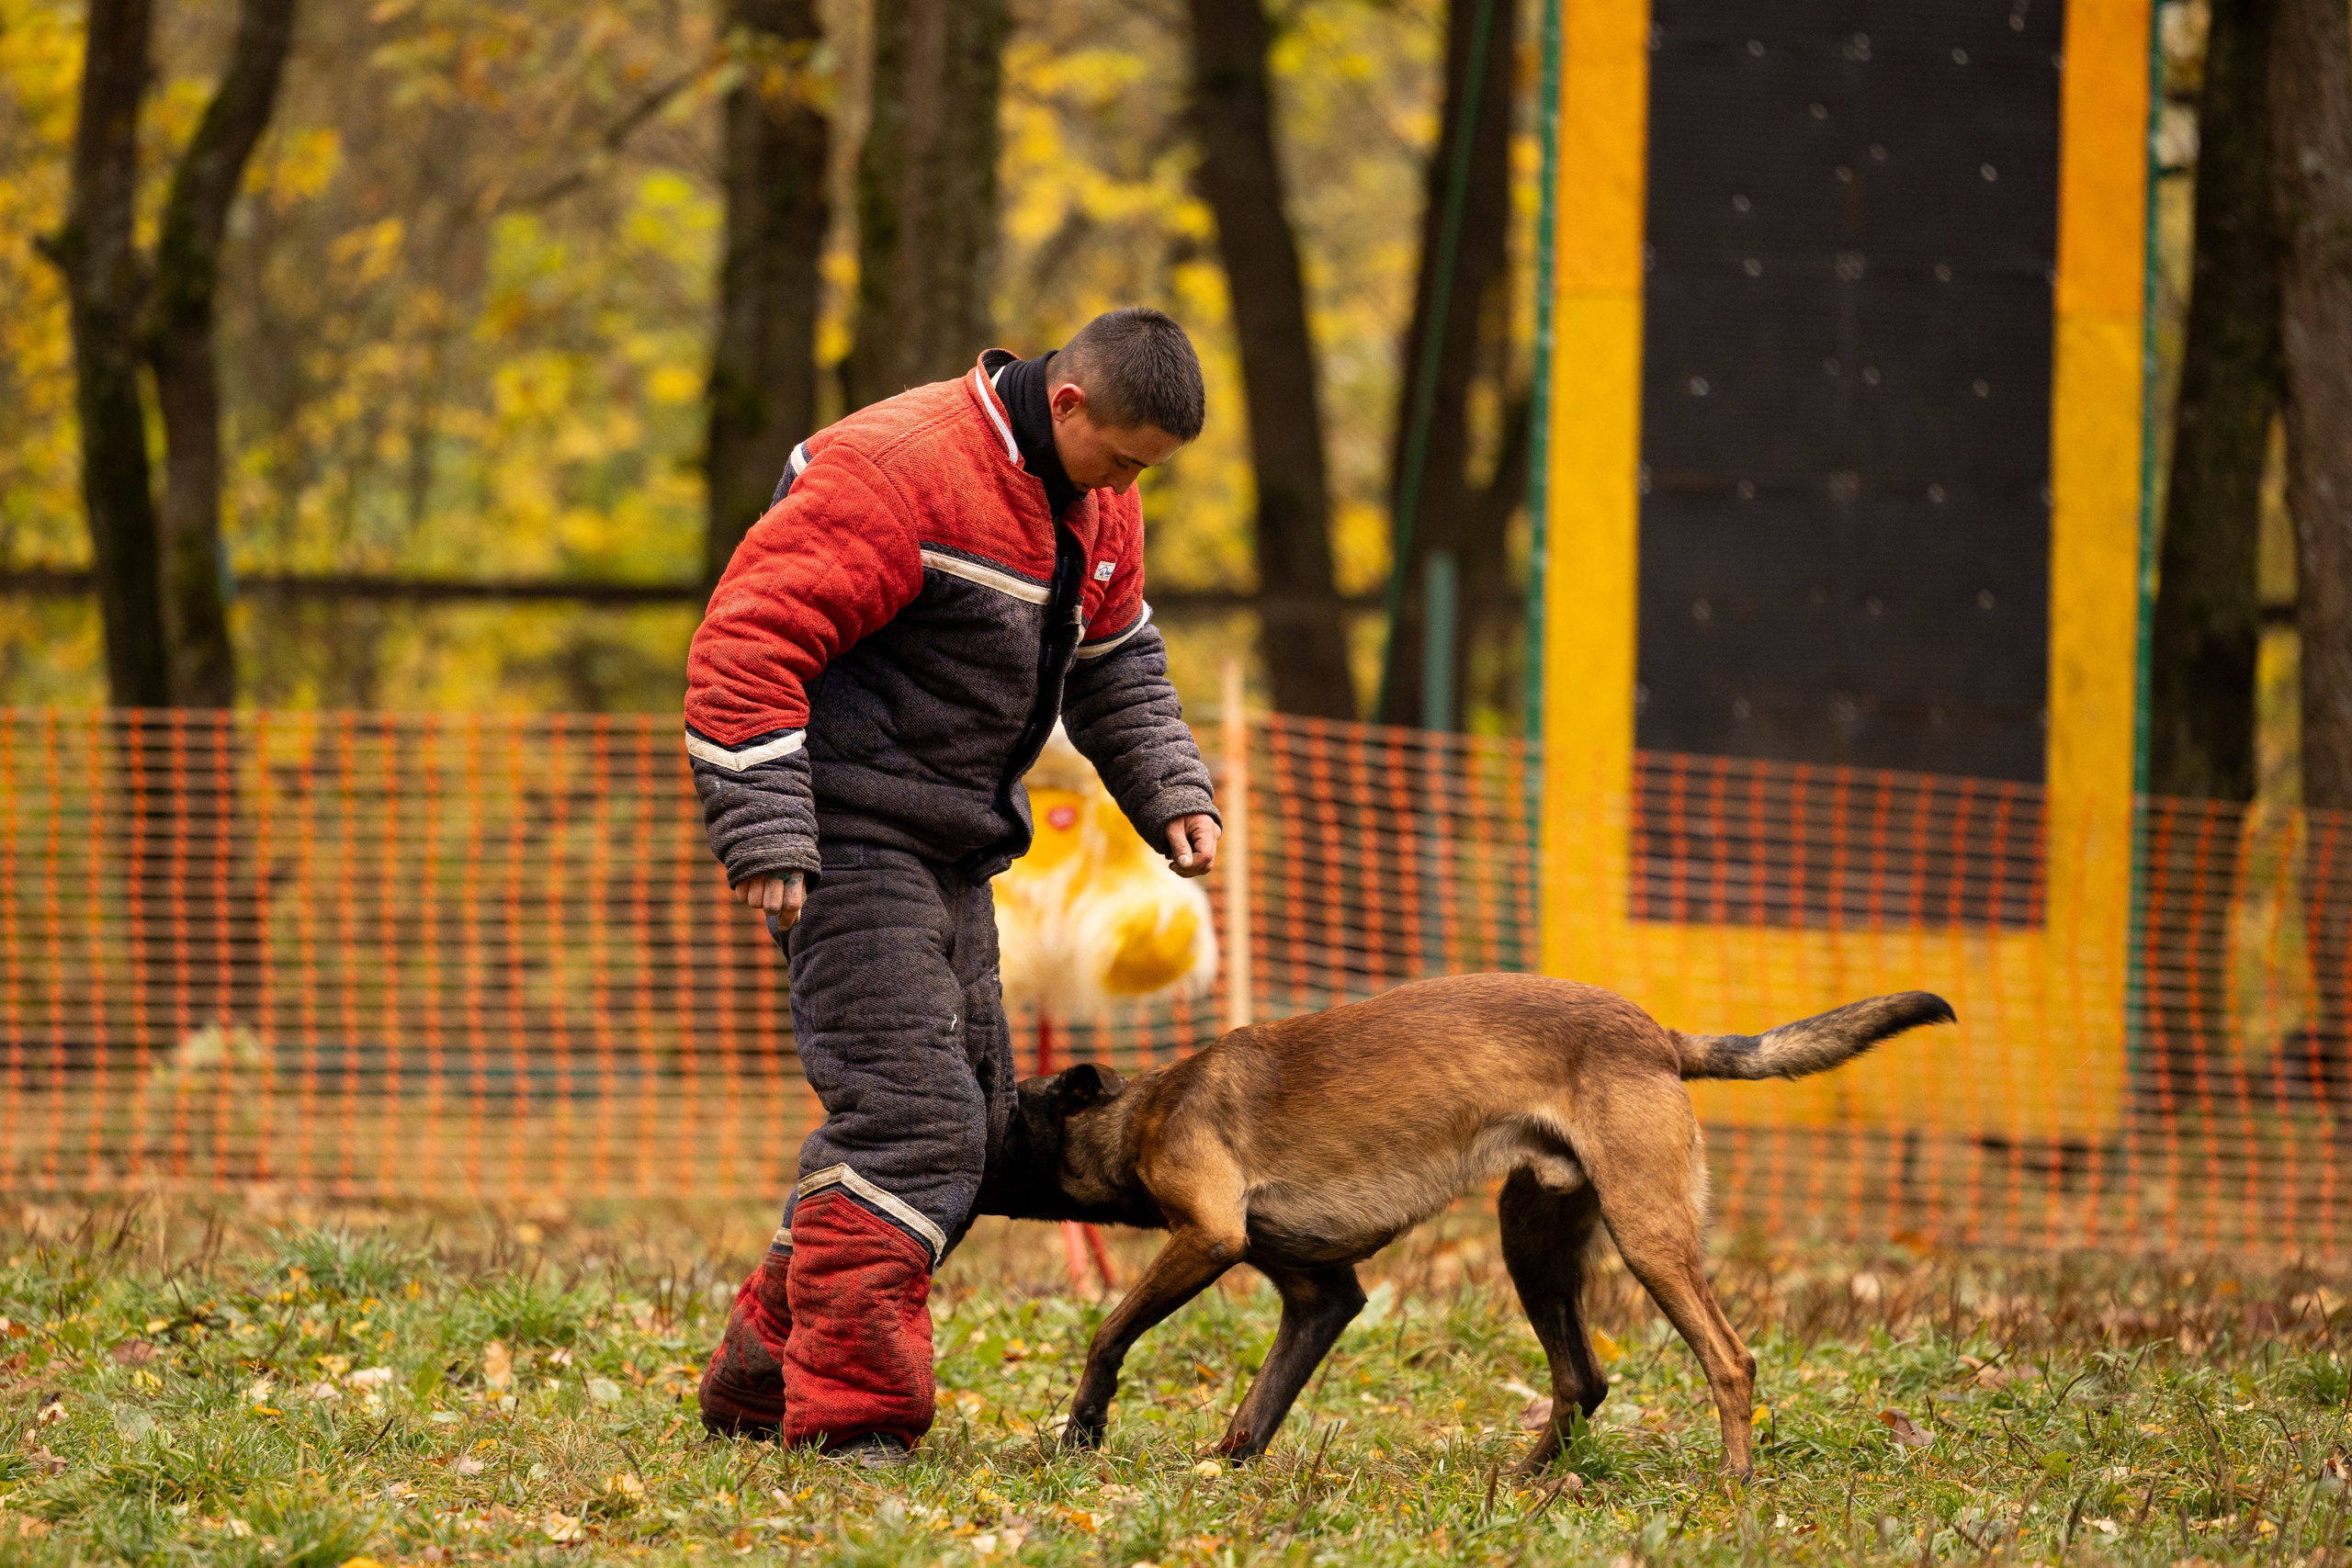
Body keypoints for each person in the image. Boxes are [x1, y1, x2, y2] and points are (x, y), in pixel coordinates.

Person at [684, 308, 1222, 1466]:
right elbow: (748, 640)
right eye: (1123, 457)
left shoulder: (1094, 499)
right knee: (914, 1126)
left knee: (966, 1130)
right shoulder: (896, 469)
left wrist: (1173, 789)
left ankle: (758, 1374)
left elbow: (1116, 657)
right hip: (842, 836)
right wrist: (770, 830)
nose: (1129, 486)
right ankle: (857, 1424)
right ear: (1068, 402)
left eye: (1146, 471)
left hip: (953, 843)